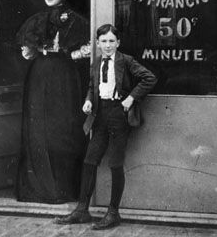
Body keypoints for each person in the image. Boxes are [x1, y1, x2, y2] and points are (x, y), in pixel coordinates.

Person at [56, 23, 157, 230]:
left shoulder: (125, 61)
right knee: (90, 160)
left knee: (115, 163)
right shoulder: (96, 63)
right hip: (100, 115)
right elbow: (93, 86)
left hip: (119, 115)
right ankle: (82, 210)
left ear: (118, 43)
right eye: (104, 41)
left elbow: (149, 78)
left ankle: (113, 213)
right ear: (97, 43)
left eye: (112, 41)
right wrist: (88, 100)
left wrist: (131, 98)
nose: (108, 45)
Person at [16, 0, 90, 203]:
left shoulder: (76, 20)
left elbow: (86, 49)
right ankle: (41, 188)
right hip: (40, 75)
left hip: (64, 76)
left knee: (62, 128)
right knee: (39, 126)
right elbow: (28, 52)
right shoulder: (37, 20)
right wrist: (34, 50)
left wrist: (73, 53)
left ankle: (64, 188)